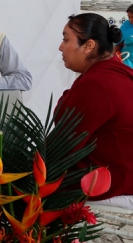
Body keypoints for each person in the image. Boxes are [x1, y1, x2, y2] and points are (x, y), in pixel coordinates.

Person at [56, 13, 133, 200]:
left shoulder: (97, 83)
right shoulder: (118, 69)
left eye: (66, 40)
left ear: (89, 46)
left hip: (112, 177)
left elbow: (66, 143)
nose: (60, 47)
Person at [117, 4, 133, 68]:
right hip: (125, 60)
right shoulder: (126, 26)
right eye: (129, 17)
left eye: (132, 17)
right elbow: (118, 44)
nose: (130, 20)